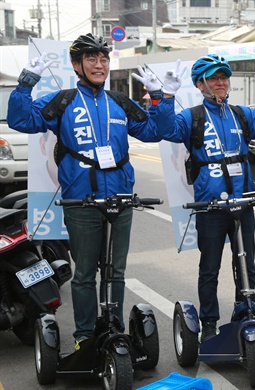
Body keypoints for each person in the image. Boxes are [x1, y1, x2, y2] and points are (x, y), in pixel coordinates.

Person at [7, 33, 183, 346]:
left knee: (116, 271)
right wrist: (26, 82)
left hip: (120, 199)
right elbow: (21, 120)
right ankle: (85, 337)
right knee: (86, 274)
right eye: (91, 58)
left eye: (103, 59)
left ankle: (113, 329)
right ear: (77, 64)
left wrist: (160, 98)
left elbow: (157, 131)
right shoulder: (62, 101)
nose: (99, 64)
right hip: (81, 201)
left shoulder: (119, 102)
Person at [155, 55, 255, 342]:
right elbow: (165, 130)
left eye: (224, 78)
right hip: (211, 206)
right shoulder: (191, 117)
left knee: (246, 262)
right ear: (200, 84)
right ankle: (208, 322)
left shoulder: (240, 115)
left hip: (243, 202)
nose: (221, 83)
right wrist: (167, 96)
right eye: (214, 78)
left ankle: (246, 310)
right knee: (210, 268)